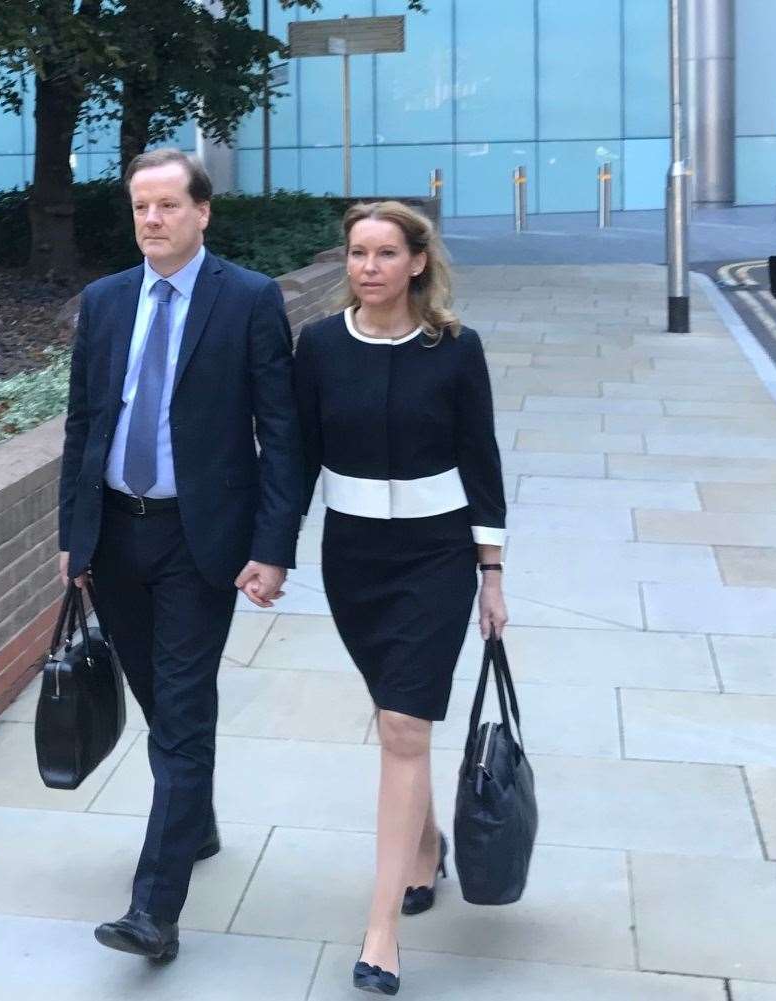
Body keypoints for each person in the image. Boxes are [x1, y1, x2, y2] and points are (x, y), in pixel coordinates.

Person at [57, 148, 304, 961]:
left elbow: (282, 431)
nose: (152, 220)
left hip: (201, 540)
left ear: (203, 212)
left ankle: (152, 910)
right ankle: (192, 822)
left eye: (167, 205)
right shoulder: (103, 300)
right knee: (162, 703)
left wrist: (272, 548)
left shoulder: (248, 299)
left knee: (184, 711)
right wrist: (74, 536)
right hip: (116, 534)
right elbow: (84, 426)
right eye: (140, 207)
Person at [293, 201, 508, 995]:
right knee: (396, 716)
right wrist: (270, 551)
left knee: (402, 724)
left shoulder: (455, 349)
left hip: (435, 557)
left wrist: (491, 570)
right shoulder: (317, 347)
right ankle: (424, 846)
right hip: (353, 559)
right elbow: (298, 457)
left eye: (385, 253)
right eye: (356, 253)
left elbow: (479, 458)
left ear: (417, 262)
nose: (368, 267)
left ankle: (380, 930)